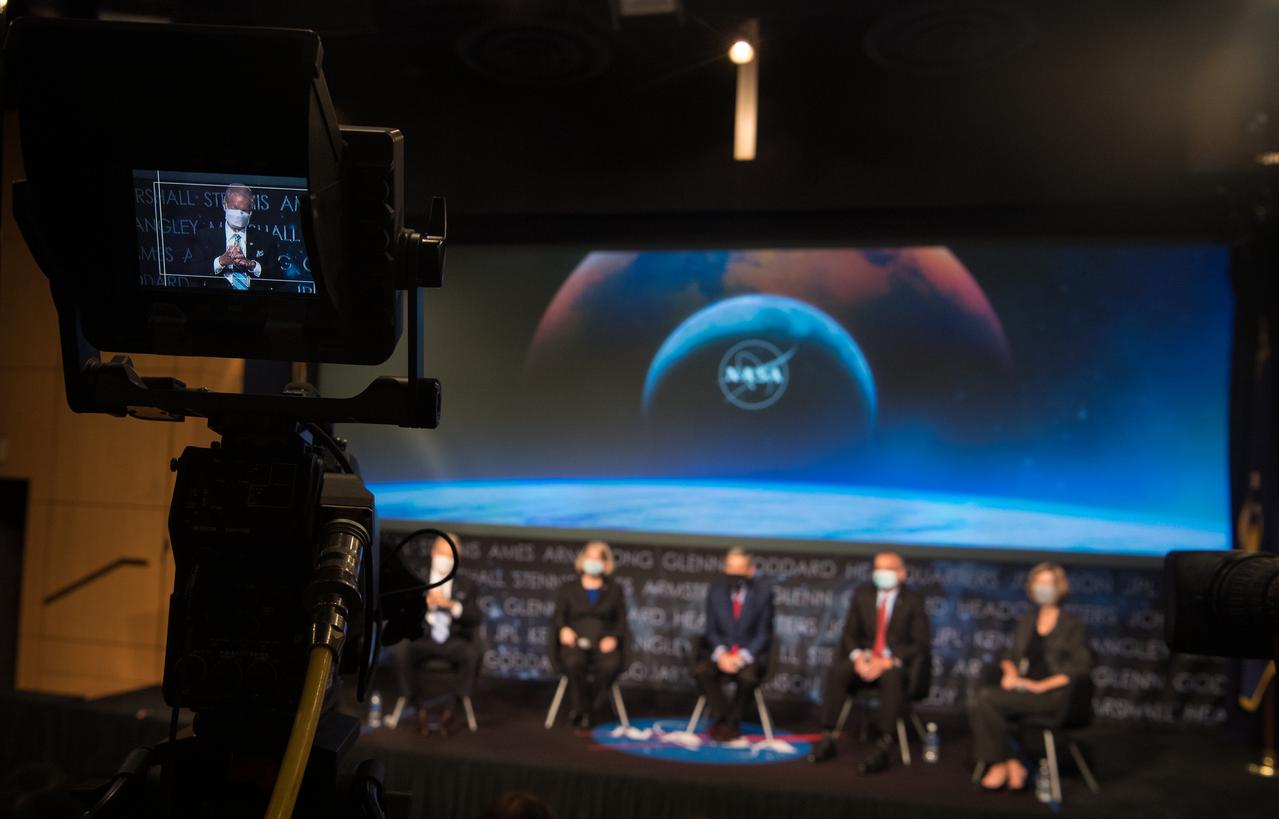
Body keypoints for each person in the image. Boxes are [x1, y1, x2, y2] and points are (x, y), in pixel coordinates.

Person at [968, 562, 1093, 791]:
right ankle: (1011, 761)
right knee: (981, 700)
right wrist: (1010, 672)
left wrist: (1041, 686)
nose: (1043, 588)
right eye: (1039, 583)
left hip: (1054, 697)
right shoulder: (1027, 620)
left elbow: (1080, 668)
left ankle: (999, 763)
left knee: (986, 698)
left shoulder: (1071, 624)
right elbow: (1009, 655)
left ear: (1059, 587)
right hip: (1022, 691)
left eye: (1048, 583)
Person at [808, 550, 931, 772]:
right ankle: (828, 737)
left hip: (893, 666)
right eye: (878, 568)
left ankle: (884, 744)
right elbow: (849, 635)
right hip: (865, 660)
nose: (881, 573)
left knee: (893, 677)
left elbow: (920, 644)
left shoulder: (913, 601)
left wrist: (889, 661)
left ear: (902, 573)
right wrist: (858, 658)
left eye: (888, 569)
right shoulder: (862, 595)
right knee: (838, 671)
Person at [399, 533, 482, 735]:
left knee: (471, 654)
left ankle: (451, 709)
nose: (446, 559)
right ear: (434, 553)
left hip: (452, 641)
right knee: (402, 650)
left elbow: (476, 616)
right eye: (443, 553)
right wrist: (423, 603)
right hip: (422, 638)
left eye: (451, 555)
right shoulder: (417, 579)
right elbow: (401, 610)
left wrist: (452, 605)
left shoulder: (467, 584)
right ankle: (417, 707)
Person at [692, 547, 775, 742]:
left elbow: (764, 634)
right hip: (722, 653)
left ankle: (733, 723)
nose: (734, 574)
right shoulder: (716, 591)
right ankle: (723, 717)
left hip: (750, 656)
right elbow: (711, 630)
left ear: (750, 570)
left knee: (748, 677)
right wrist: (721, 655)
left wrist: (741, 657)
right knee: (702, 670)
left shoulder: (763, 594)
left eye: (740, 569)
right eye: (730, 568)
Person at [550, 540, 632, 728]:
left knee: (611, 665)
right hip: (575, 643)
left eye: (598, 558)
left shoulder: (614, 589)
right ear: (583, 559)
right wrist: (564, 629)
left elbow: (621, 620)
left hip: (603, 642)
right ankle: (580, 709)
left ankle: (591, 708)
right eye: (590, 557)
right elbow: (558, 617)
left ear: (605, 563)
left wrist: (613, 637)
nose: (593, 562)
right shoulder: (567, 588)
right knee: (573, 663)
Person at [192, 182, 283, 289]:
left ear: (251, 212)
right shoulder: (205, 236)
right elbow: (192, 273)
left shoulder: (265, 239)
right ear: (225, 205)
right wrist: (221, 261)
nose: (239, 214)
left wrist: (252, 265)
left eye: (244, 210)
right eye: (235, 208)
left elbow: (278, 279)